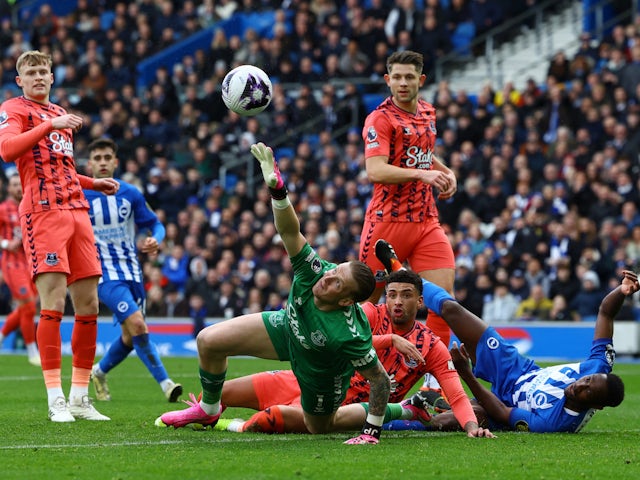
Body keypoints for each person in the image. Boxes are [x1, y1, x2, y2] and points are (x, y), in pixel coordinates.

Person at [157, 142, 392, 445]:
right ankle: (208, 409)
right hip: (286, 329)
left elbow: (380, 380)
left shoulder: (347, 333)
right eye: (334, 270)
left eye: (336, 282)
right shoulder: (315, 271)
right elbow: (290, 232)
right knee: (209, 341)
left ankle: (403, 412)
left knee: (320, 426)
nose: (327, 277)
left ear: (346, 300)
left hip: (319, 369)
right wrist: (278, 191)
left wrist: (371, 432)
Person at [378, 239, 632, 433]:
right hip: (516, 369)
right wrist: (622, 291)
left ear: (595, 406)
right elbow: (605, 314)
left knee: (455, 419)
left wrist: (465, 373)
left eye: (587, 391)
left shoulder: (555, 422)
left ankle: (377, 421)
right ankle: (399, 270)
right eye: (587, 380)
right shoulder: (599, 366)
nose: (581, 384)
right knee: (452, 310)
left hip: (502, 404)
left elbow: (502, 412)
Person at [212, 269, 492, 438]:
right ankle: (191, 416)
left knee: (267, 420)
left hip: (338, 404)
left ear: (420, 302)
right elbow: (342, 340)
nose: (397, 301)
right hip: (304, 377)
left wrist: (471, 427)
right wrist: (390, 339)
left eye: (406, 295)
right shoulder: (369, 313)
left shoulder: (430, 345)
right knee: (214, 394)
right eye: (392, 294)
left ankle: (227, 425)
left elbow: (455, 393)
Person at [0, 50, 119, 422]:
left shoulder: (60, 116)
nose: (38, 76)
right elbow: (6, 151)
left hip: (77, 212)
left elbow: (62, 169)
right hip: (43, 214)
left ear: (52, 78)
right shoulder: (15, 109)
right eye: (31, 72)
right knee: (52, 303)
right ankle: (56, 400)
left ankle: (80, 398)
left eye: (43, 71)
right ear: (20, 81)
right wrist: (48, 127)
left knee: (88, 305)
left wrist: (92, 182)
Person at [359, 50, 457, 397]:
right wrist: (423, 174)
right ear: (388, 80)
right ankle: (353, 373)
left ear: (421, 80)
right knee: (365, 305)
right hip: (387, 224)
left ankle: (433, 388)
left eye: (409, 77)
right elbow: (376, 170)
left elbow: (423, 151)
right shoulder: (379, 119)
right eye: (396, 77)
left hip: (427, 221)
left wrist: (445, 172)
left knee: (443, 303)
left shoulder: (428, 113)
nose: (403, 83)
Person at [84, 138, 183, 403]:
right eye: (98, 158)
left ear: (116, 162)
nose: (103, 162)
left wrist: (156, 240)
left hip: (133, 273)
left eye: (107, 157)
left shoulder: (130, 193)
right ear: (89, 163)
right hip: (104, 274)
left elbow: (156, 225)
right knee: (138, 324)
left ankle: (99, 371)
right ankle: (166, 384)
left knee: (130, 336)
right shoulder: (81, 194)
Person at [0, 173, 40, 366]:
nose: (17, 188)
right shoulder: (3, 209)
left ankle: (1, 336)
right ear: (9, 188)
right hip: (11, 263)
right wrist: (6, 243)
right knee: (29, 306)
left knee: (27, 307)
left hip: (30, 263)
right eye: (14, 185)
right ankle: (32, 351)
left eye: (20, 185)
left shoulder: (29, 208)